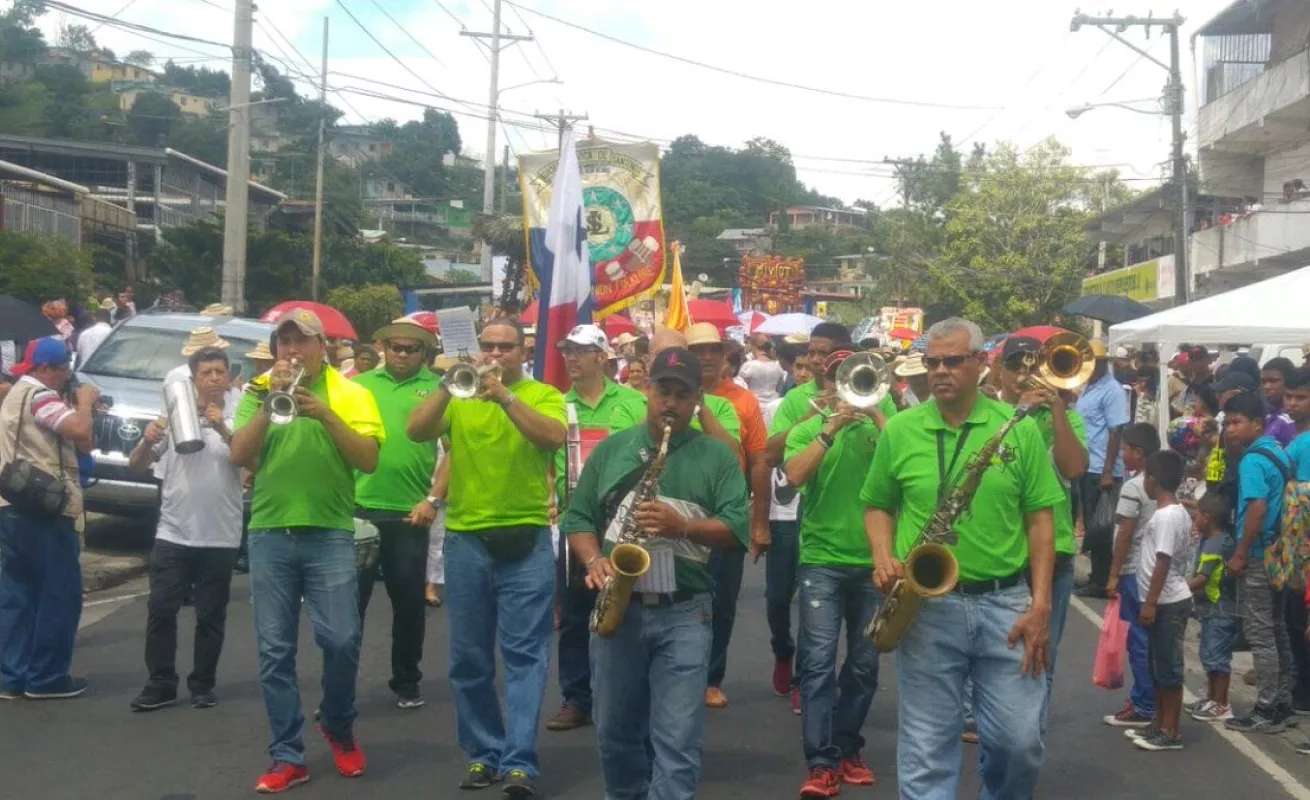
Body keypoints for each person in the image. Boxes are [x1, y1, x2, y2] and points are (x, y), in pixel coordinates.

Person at [860, 317, 1062, 799]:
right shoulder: (901, 429)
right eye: (932, 362)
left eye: (953, 361)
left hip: (1006, 603)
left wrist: (1041, 604)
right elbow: (877, 504)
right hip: (926, 606)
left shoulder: (1018, 429)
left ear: (981, 363)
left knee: (1019, 744)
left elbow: (1041, 520)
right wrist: (883, 555)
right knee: (926, 748)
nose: (941, 371)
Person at [562, 347, 750, 800]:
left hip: (685, 611)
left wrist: (680, 525)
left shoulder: (718, 457)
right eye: (662, 391)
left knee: (678, 738)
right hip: (620, 607)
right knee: (615, 732)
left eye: (681, 395)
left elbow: (737, 528)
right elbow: (578, 519)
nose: (670, 403)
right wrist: (593, 560)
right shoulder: (612, 449)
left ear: (696, 399)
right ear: (647, 390)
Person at [407, 317, 566, 798]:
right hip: (467, 539)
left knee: (525, 656)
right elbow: (416, 431)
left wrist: (505, 396)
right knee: (468, 658)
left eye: (506, 347)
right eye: (489, 346)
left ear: (524, 351)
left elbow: (553, 438)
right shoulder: (460, 394)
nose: (496, 354)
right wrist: (447, 382)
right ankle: (483, 753)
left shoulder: (542, 394)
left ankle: (519, 761)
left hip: (526, 538)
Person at [230, 308, 384, 792]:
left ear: (323, 348)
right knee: (274, 650)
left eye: (302, 343)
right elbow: (239, 456)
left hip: (329, 531)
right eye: (284, 343)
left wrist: (326, 415)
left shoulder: (351, 393)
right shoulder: (256, 390)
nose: (292, 352)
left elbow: (369, 459)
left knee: (341, 639)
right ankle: (287, 755)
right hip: (271, 532)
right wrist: (268, 401)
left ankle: (337, 723)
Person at [784, 347, 885, 797]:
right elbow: (793, 476)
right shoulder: (808, 429)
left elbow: (907, 469)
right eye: (836, 378)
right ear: (826, 383)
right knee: (819, 664)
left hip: (874, 562)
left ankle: (847, 747)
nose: (844, 386)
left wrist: (881, 415)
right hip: (822, 560)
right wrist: (830, 429)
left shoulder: (888, 428)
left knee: (864, 666)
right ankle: (821, 760)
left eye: (856, 378)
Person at [126, 346, 242, 712]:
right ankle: (160, 682)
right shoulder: (176, 415)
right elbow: (136, 466)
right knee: (161, 609)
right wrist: (147, 439)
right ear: (193, 379)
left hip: (220, 534)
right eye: (205, 372)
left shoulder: (242, 415)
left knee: (211, 614)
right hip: (174, 532)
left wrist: (221, 425)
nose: (212, 378)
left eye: (219, 372)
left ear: (228, 378)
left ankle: (202, 684)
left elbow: (253, 463)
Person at [546, 324, 646, 733]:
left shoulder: (633, 402)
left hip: (626, 524)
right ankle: (577, 697)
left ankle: (624, 695)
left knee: (629, 612)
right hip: (576, 522)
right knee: (574, 615)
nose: (571, 357)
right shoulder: (557, 405)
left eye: (581, 351)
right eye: (567, 350)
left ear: (602, 357)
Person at [990, 334, 1089, 739]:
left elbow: (1074, 469)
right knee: (999, 651)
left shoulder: (1065, 414)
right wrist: (1019, 412)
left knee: (1042, 650)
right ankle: (1001, 729)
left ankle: (1031, 740)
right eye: (1017, 366)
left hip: (1056, 547)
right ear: (999, 370)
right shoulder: (989, 411)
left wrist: (1057, 409)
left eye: (1033, 366)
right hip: (1003, 549)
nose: (1024, 375)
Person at [352, 317, 443, 710]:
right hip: (356, 509)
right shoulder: (359, 386)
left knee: (407, 603)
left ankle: (406, 680)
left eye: (411, 348)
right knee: (347, 606)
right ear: (383, 349)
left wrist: (433, 500)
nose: (402, 354)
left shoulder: (440, 390)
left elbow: (455, 451)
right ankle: (339, 687)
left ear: (424, 353)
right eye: (395, 347)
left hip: (409, 513)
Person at [0, 337, 98, 700]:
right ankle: (47, 677)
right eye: (62, 371)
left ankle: (12, 676)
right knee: (59, 592)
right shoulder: (41, 395)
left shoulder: (14, 394)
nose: (65, 377)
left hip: (10, 504)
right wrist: (85, 404)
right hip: (45, 506)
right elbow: (80, 433)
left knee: (17, 593)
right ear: (47, 369)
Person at [686, 322, 768, 710]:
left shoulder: (742, 401)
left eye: (712, 350)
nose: (705, 357)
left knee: (722, 601)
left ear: (724, 357)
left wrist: (759, 523)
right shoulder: (663, 395)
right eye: (697, 350)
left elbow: (754, 462)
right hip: (675, 516)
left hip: (725, 516)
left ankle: (710, 677)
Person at [1222, 390, 1296, 734]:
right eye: (1227, 423)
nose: (1230, 430)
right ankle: (1282, 700)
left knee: (1260, 632)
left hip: (1257, 555)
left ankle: (1265, 707)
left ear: (1257, 423)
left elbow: (1257, 508)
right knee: (1277, 628)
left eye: (1237, 422)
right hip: (1279, 552)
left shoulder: (1253, 460)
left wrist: (1239, 554)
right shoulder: (1277, 452)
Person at [1128, 449, 1193, 751]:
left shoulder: (1167, 517)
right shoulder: (1172, 513)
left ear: (1153, 480)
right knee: (1157, 665)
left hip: (1168, 601)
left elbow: (1163, 561)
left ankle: (1172, 730)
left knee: (1168, 668)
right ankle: (1159, 723)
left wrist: (1150, 602)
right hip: (1161, 599)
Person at [1103, 423, 1161, 728]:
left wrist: (1113, 573)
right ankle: (1155, 699)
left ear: (1138, 453)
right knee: (1153, 641)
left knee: (1138, 641)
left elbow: (1124, 533)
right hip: (1154, 571)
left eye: (1124, 449)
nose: (1122, 454)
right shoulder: (1160, 482)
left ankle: (1144, 703)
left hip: (1134, 571)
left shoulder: (1133, 487)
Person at [1076, 341, 1131, 598]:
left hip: (1102, 468)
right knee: (1093, 524)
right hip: (1089, 465)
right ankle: (1096, 575)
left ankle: (1103, 579)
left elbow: (1115, 430)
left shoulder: (1112, 390)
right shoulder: (1089, 387)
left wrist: (1108, 470)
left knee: (1102, 527)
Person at [761, 384, 802, 713]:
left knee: (816, 605)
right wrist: (759, 522)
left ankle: (807, 676)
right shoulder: (784, 404)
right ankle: (783, 651)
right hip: (784, 516)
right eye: (805, 361)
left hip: (823, 519)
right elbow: (767, 457)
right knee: (777, 598)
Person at [1187, 493, 1239, 722]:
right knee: (1208, 653)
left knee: (1217, 657)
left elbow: (1202, 578)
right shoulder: (1213, 540)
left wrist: (1177, 589)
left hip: (1220, 610)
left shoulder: (1216, 544)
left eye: (1196, 514)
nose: (1193, 518)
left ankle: (1221, 703)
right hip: (1210, 609)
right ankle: (1211, 698)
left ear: (1207, 518)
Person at [740, 334, 784, 404]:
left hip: (754, 405)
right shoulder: (778, 366)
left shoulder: (749, 366)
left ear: (753, 347)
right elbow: (779, 388)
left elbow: (741, 386)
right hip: (773, 405)